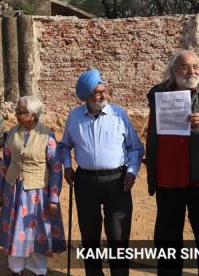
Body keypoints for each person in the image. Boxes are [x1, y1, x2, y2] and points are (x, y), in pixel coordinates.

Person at [145, 50, 199, 275]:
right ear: (174, 71)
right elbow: (153, 135)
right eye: (184, 67)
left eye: (195, 66)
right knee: (167, 239)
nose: (191, 71)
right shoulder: (158, 94)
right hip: (169, 178)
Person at [57, 68, 144, 276]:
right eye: (97, 92)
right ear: (87, 96)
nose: (103, 95)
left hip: (117, 181)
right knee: (89, 235)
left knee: (118, 235)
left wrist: (132, 171)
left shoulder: (118, 114)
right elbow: (64, 146)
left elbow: (135, 147)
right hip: (85, 181)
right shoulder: (75, 116)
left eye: (104, 90)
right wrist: (67, 167)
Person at [0, 95, 66, 276]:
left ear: (32, 115)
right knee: (15, 229)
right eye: (16, 110)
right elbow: (6, 162)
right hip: (14, 189)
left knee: (36, 231)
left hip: (38, 192)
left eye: (20, 111)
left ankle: (38, 269)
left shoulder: (47, 136)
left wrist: (54, 198)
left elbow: (56, 168)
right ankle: (16, 269)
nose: (16, 114)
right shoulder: (12, 133)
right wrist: (1, 187)